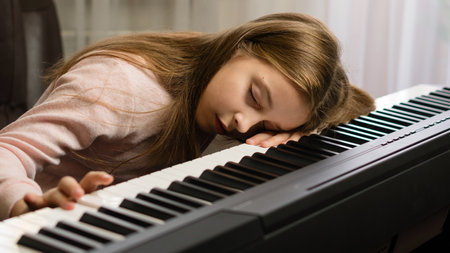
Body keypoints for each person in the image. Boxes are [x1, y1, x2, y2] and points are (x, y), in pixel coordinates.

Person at [0, 12, 375, 220]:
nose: (245, 125)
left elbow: (357, 102)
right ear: (239, 48)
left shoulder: (209, 81)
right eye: (254, 97)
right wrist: (23, 204)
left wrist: (299, 133)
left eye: (265, 125)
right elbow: (8, 152)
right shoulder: (119, 87)